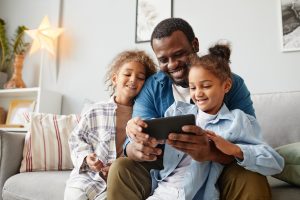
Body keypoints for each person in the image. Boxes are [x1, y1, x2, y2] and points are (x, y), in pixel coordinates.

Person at [107, 18, 271, 200]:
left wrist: (211, 152)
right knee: (121, 168)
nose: (172, 64)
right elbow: (131, 144)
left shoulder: (230, 83)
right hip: (167, 167)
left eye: (178, 54)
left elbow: (250, 145)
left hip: (218, 165)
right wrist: (136, 147)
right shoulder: (152, 88)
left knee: (252, 176)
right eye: (163, 59)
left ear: (195, 44)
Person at [146, 43, 284, 199]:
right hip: (162, 192)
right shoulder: (176, 111)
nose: (198, 93)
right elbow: (149, 138)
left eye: (206, 86)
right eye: (192, 88)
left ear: (226, 86)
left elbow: (275, 163)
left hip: (195, 194)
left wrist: (234, 149)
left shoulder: (237, 120)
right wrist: (137, 129)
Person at [64, 50, 157, 200]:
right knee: (75, 195)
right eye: (127, 74)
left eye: (140, 77)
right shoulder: (96, 111)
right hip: (88, 177)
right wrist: (87, 158)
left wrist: (115, 168)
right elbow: (76, 139)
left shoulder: (143, 116)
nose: (133, 79)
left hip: (115, 180)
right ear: (115, 79)